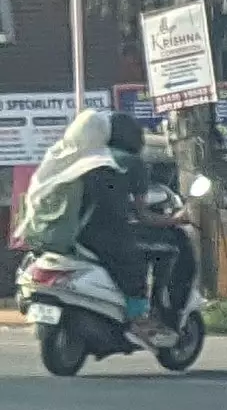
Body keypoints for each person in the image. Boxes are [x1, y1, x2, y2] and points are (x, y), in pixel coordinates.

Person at [17, 110, 151, 324]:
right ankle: (138, 318)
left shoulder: (58, 156)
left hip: (48, 235)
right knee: (136, 265)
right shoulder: (116, 161)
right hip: (96, 235)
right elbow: (137, 213)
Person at [107, 114, 195, 329]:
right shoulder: (132, 163)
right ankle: (160, 307)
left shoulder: (85, 158)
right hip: (115, 234)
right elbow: (143, 215)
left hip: (82, 233)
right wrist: (175, 219)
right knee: (175, 246)